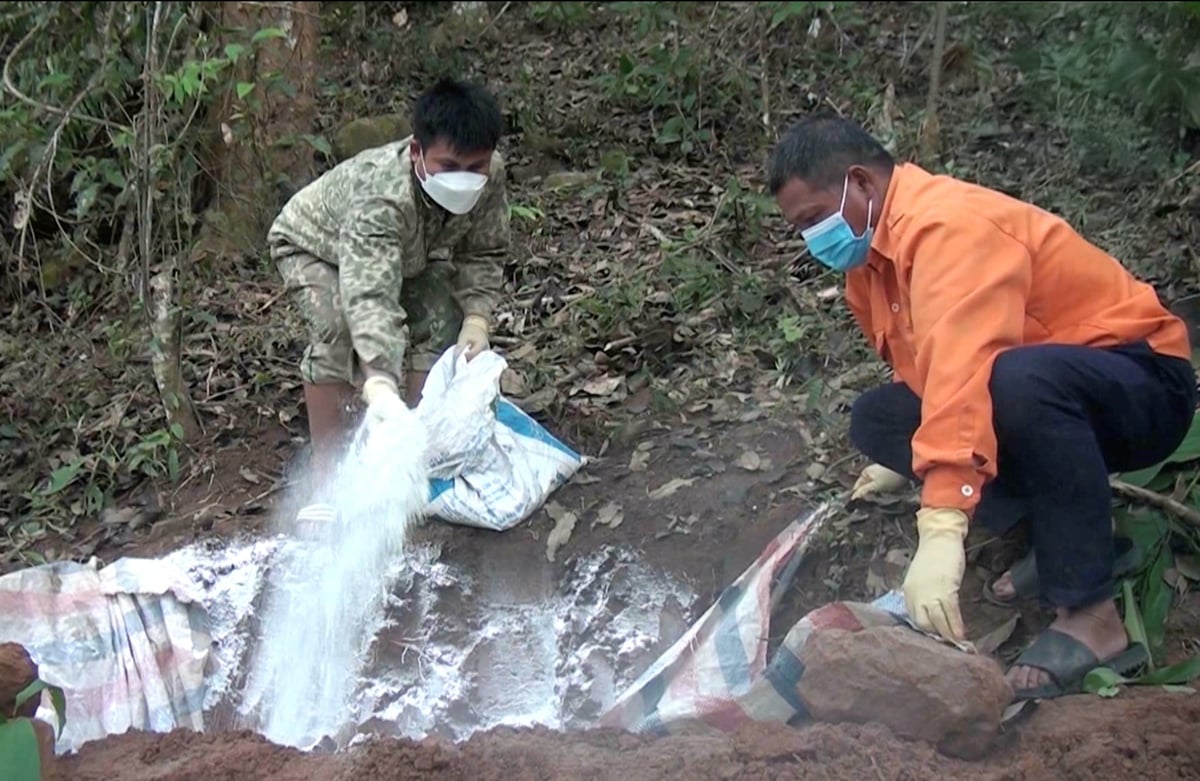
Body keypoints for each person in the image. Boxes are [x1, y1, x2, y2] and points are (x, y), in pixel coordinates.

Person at [766, 112, 1196, 700]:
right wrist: (907, 457)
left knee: (1012, 381)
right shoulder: (869, 269)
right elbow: (930, 375)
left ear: (861, 184)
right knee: (880, 416)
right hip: (1046, 390)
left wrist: (942, 524)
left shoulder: (949, 228)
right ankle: (1062, 536)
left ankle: (1093, 619)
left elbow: (967, 369)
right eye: (800, 228)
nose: (811, 240)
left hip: (1144, 382)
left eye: (814, 220)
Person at [268, 77, 510, 501]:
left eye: (476, 168)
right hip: (316, 248)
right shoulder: (379, 197)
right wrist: (380, 381)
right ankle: (330, 480)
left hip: (412, 254)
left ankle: (419, 458)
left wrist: (476, 319)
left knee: (441, 321)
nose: (464, 179)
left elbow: (484, 252)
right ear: (417, 152)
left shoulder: (491, 178)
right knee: (336, 329)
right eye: (449, 167)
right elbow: (370, 295)